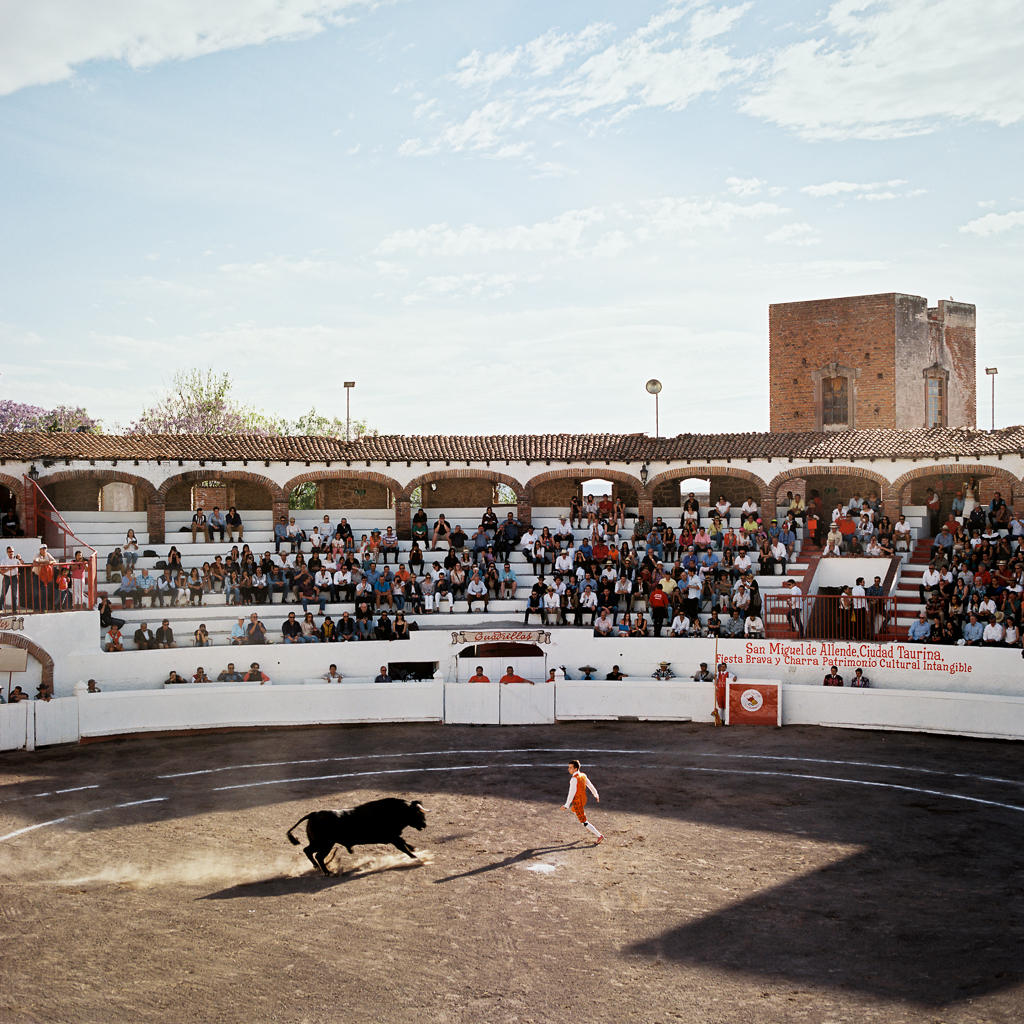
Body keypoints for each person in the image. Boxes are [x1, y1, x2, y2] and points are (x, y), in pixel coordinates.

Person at [561, 759, 603, 844]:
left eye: (570, 768)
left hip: (578, 801)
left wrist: (566, 805)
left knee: (583, 821)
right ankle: (588, 827)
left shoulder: (574, 779)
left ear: (575, 769)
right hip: (583, 798)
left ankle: (599, 835)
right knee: (575, 811)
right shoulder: (583, 775)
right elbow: (590, 785)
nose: (568, 769)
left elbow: (571, 793)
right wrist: (596, 794)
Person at [1, 546, 23, 612]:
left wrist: (20, 559)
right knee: (3, 594)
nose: (11, 553)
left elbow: (22, 565)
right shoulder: (4, 560)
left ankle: (14, 610)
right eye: (10, 552)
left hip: (14, 577)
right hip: (6, 577)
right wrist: (10, 568)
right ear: (7, 552)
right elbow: (1, 571)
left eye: (12, 551)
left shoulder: (16, 559)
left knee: (14, 594)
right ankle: (1, 609)